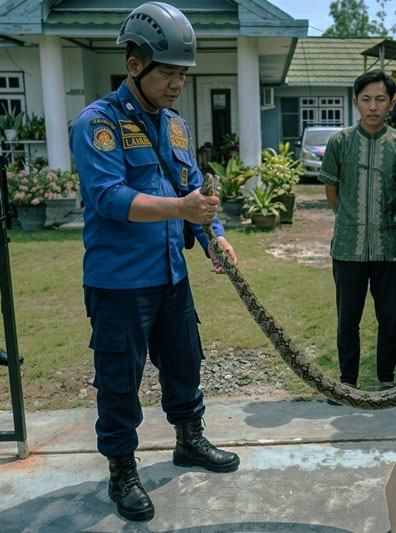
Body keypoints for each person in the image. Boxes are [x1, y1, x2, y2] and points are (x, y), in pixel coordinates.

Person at [69, 2, 239, 522]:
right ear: (135, 63)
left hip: (170, 275)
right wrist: (184, 208)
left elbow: (193, 194)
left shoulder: (176, 127)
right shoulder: (97, 123)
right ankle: (122, 469)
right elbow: (110, 198)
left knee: (185, 363)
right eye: (168, 72)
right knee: (119, 380)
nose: (175, 85)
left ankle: (189, 439)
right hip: (119, 283)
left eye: (182, 74)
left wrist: (215, 238)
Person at [317, 70, 396, 404]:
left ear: (391, 103)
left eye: (381, 99)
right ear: (355, 102)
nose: (373, 107)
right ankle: (347, 382)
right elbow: (332, 189)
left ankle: (386, 380)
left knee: (389, 317)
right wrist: (349, 218)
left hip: (389, 247)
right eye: (367, 99)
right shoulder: (340, 142)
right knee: (348, 319)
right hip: (347, 248)